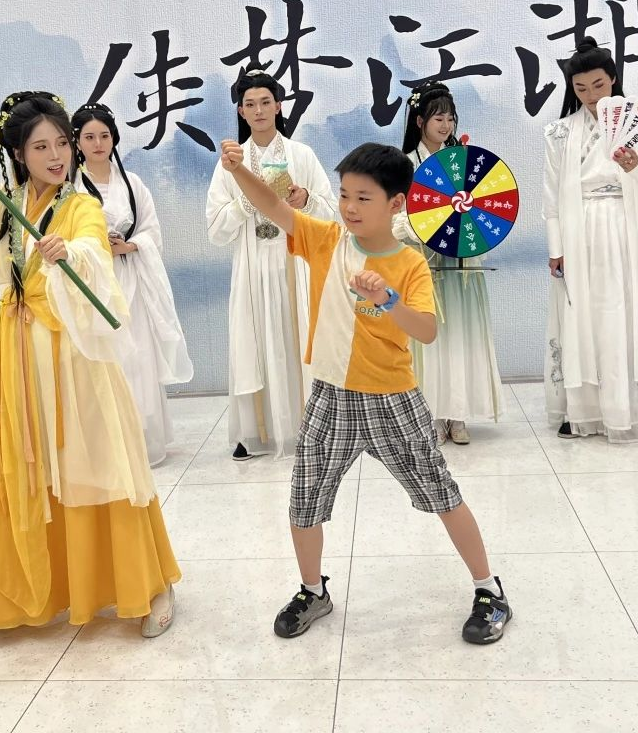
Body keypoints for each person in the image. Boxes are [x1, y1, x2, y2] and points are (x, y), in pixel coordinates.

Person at [0, 90, 180, 643]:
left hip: (73, 356)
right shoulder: (2, 204)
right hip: (13, 351)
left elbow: (94, 255)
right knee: (8, 468)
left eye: (62, 143)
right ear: (18, 153)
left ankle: (146, 582)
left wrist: (71, 255)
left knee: (97, 462)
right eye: (41, 146)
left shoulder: (81, 206)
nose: (57, 156)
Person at [219, 137, 512, 646]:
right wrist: (239, 171)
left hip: (392, 398)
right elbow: (272, 206)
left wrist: (388, 298)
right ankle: (313, 591)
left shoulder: (410, 263)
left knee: (441, 493)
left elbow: (426, 331)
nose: (349, 207)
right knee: (304, 499)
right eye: (344, 195)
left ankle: (489, 590)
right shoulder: (325, 239)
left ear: (396, 203)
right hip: (329, 396)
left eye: (363, 197)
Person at [542, 38, 638, 442]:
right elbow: (551, 197)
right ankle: (584, 409)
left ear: (614, 79)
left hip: (624, 226)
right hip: (579, 229)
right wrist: (556, 249)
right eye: (581, 88)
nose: (591, 96)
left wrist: (635, 166)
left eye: (599, 85)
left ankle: (634, 408)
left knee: (627, 309)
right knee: (583, 314)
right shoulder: (559, 132)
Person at [205, 69, 337, 461]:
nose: (259, 110)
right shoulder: (231, 164)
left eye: (266, 102)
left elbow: (331, 213)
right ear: (241, 112)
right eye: (250, 104)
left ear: (279, 107)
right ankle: (255, 431)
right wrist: (249, 200)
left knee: (298, 341)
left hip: (295, 264)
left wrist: (305, 199)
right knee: (255, 342)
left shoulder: (302, 155)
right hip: (252, 267)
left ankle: (309, 427)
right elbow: (216, 229)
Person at [72, 101, 194, 466]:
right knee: (103, 356)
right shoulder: (70, 188)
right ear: (77, 142)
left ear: (114, 138)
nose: (98, 144)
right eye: (89, 137)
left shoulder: (132, 183)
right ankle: (106, 445)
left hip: (131, 277)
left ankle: (142, 440)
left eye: (104, 136)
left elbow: (152, 230)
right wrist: (95, 247)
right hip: (94, 282)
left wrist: (130, 245)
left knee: (137, 355)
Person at [393, 82, 504, 445]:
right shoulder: (405, 165)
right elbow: (394, 218)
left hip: (459, 267)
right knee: (429, 342)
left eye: (450, 118)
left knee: (460, 337)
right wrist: (423, 225)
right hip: (423, 265)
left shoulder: (464, 162)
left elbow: (484, 208)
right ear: (419, 121)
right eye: (438, 118)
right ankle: (431, 415)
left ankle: (458, 414)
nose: (445, 125)